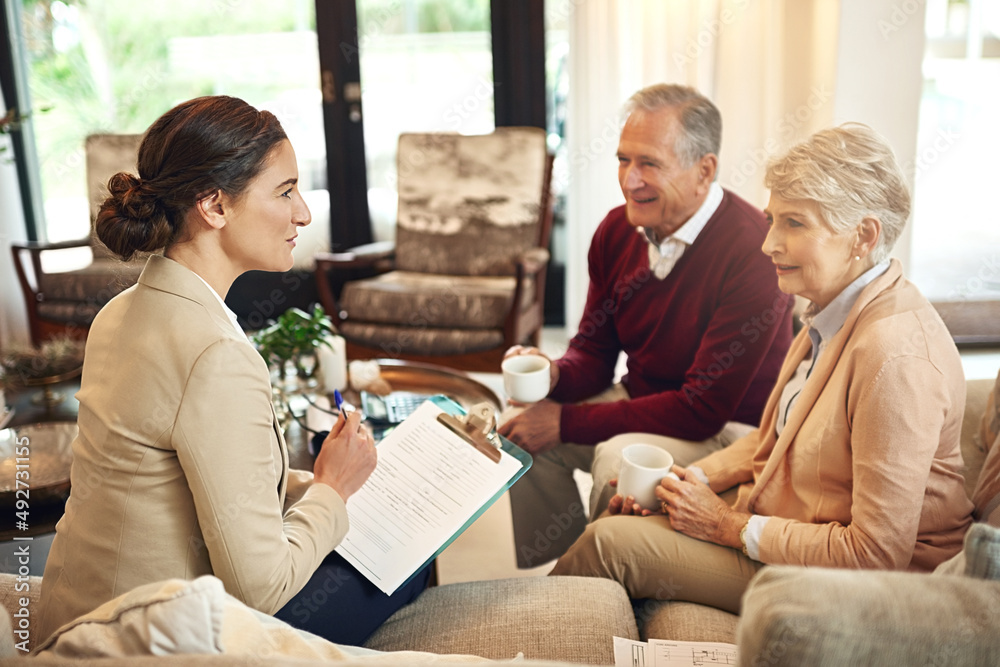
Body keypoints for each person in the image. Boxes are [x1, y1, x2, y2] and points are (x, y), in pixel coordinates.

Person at [37, 96, 429, 644]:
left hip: (80, 616)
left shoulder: (119, 312)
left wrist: (320, 485)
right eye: (286, 191)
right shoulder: (214, 353)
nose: (304, 214)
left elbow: (181, 483)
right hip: (154, 638)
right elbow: (260, 589)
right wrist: (332, 491)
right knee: (412, 554)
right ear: (214, 206)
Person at [550, 123, 976, 613]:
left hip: (870, 590)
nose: (767, 243)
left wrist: (727, 526)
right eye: (773, 219)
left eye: (793, 224)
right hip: (793, 527)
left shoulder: (896, 359)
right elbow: (774, 437)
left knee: (611, 544)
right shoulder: (832, 308)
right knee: (621, 514)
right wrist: (685, 484)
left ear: (864, 235)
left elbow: (876, 554)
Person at [498, 83, 793, 568]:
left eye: (649, 164)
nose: (630, 180)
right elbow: (592, 353)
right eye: (623, 160)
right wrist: (552, 374)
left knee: (618, 460)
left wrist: (566, 420)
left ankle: (599, 575)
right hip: (647, 399)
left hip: (731, 428)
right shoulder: (617, 230)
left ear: (705, 170)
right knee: (520, 437)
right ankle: (569, 568)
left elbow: (701, 410)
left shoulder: (753, 249)